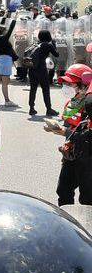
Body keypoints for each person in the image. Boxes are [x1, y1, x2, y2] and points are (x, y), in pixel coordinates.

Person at [44, 65, 92, 205]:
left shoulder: (89, 106)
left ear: (83, 86)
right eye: (64, 84)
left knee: (87, 198)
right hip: (71, 154)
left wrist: (64, 131)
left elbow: (87, 135)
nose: (65, 87)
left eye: (69, 84)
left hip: (88, 156)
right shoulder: (71, 103)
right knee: (63, 190)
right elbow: (69, 125)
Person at [28, 30, 59, 116]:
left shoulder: (35, 44)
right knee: (45, 89)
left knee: (33, 89)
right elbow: (56, 54)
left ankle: (31, 108)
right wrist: (53, 44)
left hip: (32, 69)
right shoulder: (48, 45)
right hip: (41, 69)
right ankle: (49, 109)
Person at [0, 18, 19, 107]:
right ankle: (7, 101)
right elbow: (11, 28)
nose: (6, 31)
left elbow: (1, 27)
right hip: (5, 60)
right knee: (5, 82)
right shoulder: (3, 38)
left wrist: (4, 17)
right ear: (3, 31)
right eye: (5, 30)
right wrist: (14, 19)